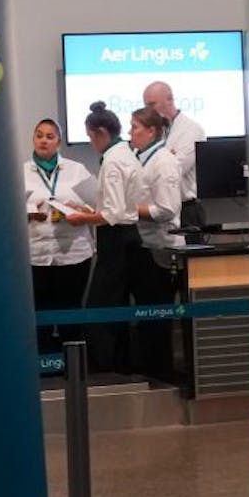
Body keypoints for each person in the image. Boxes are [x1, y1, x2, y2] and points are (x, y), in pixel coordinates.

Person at [65, 101, 142, 374]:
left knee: (100, 306)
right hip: (127, 236)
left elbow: (112, 213)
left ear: (100, 132)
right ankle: (118, 364)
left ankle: (105, 367)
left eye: (89, 136)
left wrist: (82, 218)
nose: (90, 142)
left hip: (116, 239)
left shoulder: (112, 162)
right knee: (117, 303)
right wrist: (88, 210)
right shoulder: (126, 154)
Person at [23, 118, 96, 357]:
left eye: (50, 136)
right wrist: (28, 214)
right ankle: (43, 366)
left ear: (59, 142)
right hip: (36, 255)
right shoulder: (20, 173)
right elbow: (5, 212)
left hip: (74, 253)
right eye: (39, 135)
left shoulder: (77, 171)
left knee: (70, 312)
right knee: (39, 312)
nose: (43, 140)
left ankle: (73, 365)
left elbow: (98, 208)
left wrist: (80, 210)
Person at [128, 106, 184, 376]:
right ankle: (151, 369)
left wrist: (126, 210)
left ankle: (163, 372)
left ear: (151, 131)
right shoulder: (140, 158)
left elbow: (166, 209)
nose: (130, 133)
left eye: (135, 128)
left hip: (160, 250)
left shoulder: (164, 162)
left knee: (158, 316)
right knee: (146, 315)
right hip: (142, 247)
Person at [142, 81, 207, 237]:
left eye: (152, 104)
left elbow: (177, 169)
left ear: (170, 99)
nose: (148, 111)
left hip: (186, 211)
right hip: (159, 210)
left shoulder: (191, 130)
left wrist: (161, 162)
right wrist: (167, 157)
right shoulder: (156, 131)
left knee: (190, 261)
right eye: (146, 105)